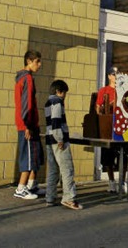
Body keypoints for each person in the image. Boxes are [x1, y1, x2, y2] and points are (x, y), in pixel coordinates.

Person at [95, 66, 128, 195]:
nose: (116, 76)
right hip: (108, 127)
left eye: (118, 74)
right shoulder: (104, 90)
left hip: (122, 126)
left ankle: (123, 182)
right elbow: (98, 108)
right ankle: (111, 182)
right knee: (108, 157)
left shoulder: (123, 90)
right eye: (113, 74)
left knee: (125, 155)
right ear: (109, 76)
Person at [44, 79, 83, 210]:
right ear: (59, 91)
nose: (65, 96)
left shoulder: (48, 102)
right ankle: (69, 198)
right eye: (64, 93)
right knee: (67, 169)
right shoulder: (57, 102)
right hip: (58, 141)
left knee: (53, 170)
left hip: (49, 140)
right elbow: (56, 121)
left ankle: (50, 197)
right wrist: (60, 138)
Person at [14, 50, 45, 200]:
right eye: (37, 61)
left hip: (32, 123)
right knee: (28, 156)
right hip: (27, 124)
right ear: (29, 61)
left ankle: (31, 185)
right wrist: (27, 125)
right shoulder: (27, 79)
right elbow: (26, 104)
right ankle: (20, 188)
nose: (39, 65)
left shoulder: (26, 78)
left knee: (35, 155)